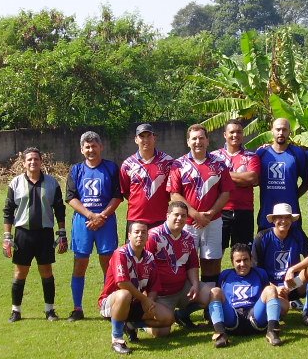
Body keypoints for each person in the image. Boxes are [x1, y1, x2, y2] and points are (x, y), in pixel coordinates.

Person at [2, 147, 67, 322]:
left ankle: (50, 310)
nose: (33, 162)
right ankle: (16, 311)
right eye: (29, 159)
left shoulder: (52, 183)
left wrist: (62, 233)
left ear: (41, 162)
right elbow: (8, 211)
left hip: (44, 234)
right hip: (23, 234)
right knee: (20, 272)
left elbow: (60, 210)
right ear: (23, 163)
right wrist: (7, 236)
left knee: (46, 271)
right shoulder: (15, 183)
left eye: (36, 159)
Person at [167, 124, 234, 287]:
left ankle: (209, 303)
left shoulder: (219, 164)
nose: (198, 142)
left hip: (214, 221)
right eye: (194, 138)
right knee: (185, 261)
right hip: (187, 223)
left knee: (212, 260)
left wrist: (210, 214)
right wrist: (195, 214)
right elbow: (174, 194)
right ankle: (187, 303)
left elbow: (226, 192)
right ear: (188, 142)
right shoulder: (178, 164)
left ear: (207, 140)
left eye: (201, 138)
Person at [65, 131, 123, 321]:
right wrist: (91, 215)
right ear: (82, 150)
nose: (91, 150)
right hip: (83, 222)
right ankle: (77, 308)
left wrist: (102, 216)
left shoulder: (111, 168)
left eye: (94, 146)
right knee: (80, 263)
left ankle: (107, 305)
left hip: (105, 221)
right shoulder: (75, 170)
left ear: (101, 147)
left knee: (108, 264)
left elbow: (117, 196)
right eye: (87, 147)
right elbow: (71, 197)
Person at [98, 221, 174, 354]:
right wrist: (144, 300)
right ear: (129, 235)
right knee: (124, 294)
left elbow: (154, 286)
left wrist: (149, 301)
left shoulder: (149, 257)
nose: (140, 235)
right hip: (112, 303)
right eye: (136, 232)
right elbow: (122, 283)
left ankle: (130, 325)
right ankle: (117, 338)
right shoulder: (120, 253)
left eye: (143, 232)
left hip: (135, 302)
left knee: (167, 320)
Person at [144, 201, 211, 334]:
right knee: (162, 333)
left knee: (213, 294)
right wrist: (148, 296)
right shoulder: (153, 236)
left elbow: (192, 264)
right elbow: (144, 267)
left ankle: (181, 315)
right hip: (161, 294)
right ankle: (140, 324)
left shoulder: (188, 237)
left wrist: (195, 285)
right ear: (167, 215)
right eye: (176, 215)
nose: (180, 218)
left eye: (183, 216)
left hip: (182, 289)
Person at [251, 203, 308, 328]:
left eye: (287, 217)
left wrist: (292, 269)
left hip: (292, 285)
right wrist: (275, 288)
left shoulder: (297, 233)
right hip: (271, 286)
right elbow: (256, 272)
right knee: (282, 310)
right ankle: (278, 311)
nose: (283, 221)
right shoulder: (262, 237)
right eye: (279, 217)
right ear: (273, 220)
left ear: (291, 220)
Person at [207, 243, 284, 348]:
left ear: (251, 259)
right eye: (238, 261)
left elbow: (268, 296)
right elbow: (218, 298)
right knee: (215, 291)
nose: (242, 264)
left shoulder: (260, 273)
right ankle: (220, 334)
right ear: (232, 262)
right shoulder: (225, 275)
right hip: (233, 318)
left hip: (255, 316)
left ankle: (272, 332)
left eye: (246, 260)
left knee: (270, 289)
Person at [211, 119, 261, 250]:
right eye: (232, 132)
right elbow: (211, 180)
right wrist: (240, 180)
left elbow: (252, 178)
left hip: (244, 211)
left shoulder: (251, 156)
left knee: (242, 253)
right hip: (219, 211)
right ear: (225, 135)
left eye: (239, 132)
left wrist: (222, 175)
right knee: (216, 253)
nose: (235, 135)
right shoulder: (214, 157)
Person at [120, 123, 173, 235]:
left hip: (161, 218)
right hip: (136, 218)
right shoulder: (128, 164)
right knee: (135, 252)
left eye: (149, 136)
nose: (146, 140)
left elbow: (171, 190)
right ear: (136, 139)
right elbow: (125, 191)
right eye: (142, 136)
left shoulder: (168, 162)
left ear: (155, 138)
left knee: (160, 252)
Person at [256, 118, 308, 231]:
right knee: (265, 247)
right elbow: (254, 179)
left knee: (293, 248)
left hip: (290, 214)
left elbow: (307, 181)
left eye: (284, 130)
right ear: (272, 131)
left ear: (290, 131)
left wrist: (294, 195)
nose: (281, 133)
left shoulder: (297, 153)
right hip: (267, 213)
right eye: (278, 129)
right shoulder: (261, 153)